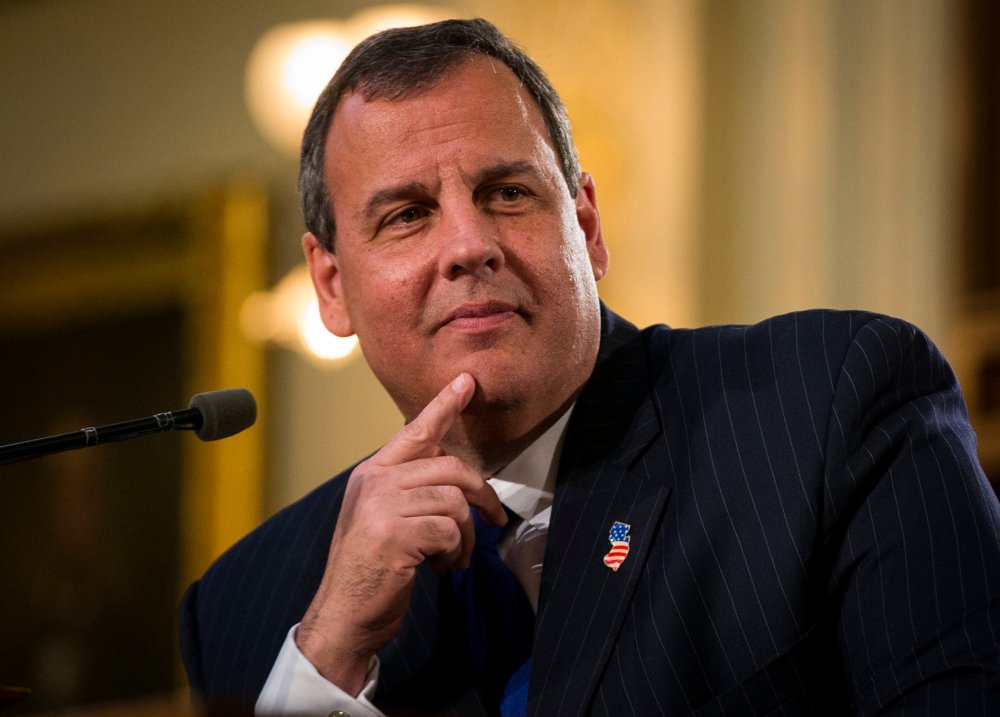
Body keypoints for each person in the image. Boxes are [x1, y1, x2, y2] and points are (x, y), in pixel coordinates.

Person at [179, 17, 1000, 716]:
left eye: (507, 193)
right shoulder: (247, 609)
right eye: (407, 215)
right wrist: (328, 655)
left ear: (587, 226)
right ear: (331, 285)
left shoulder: (830, 407)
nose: (469, 245)